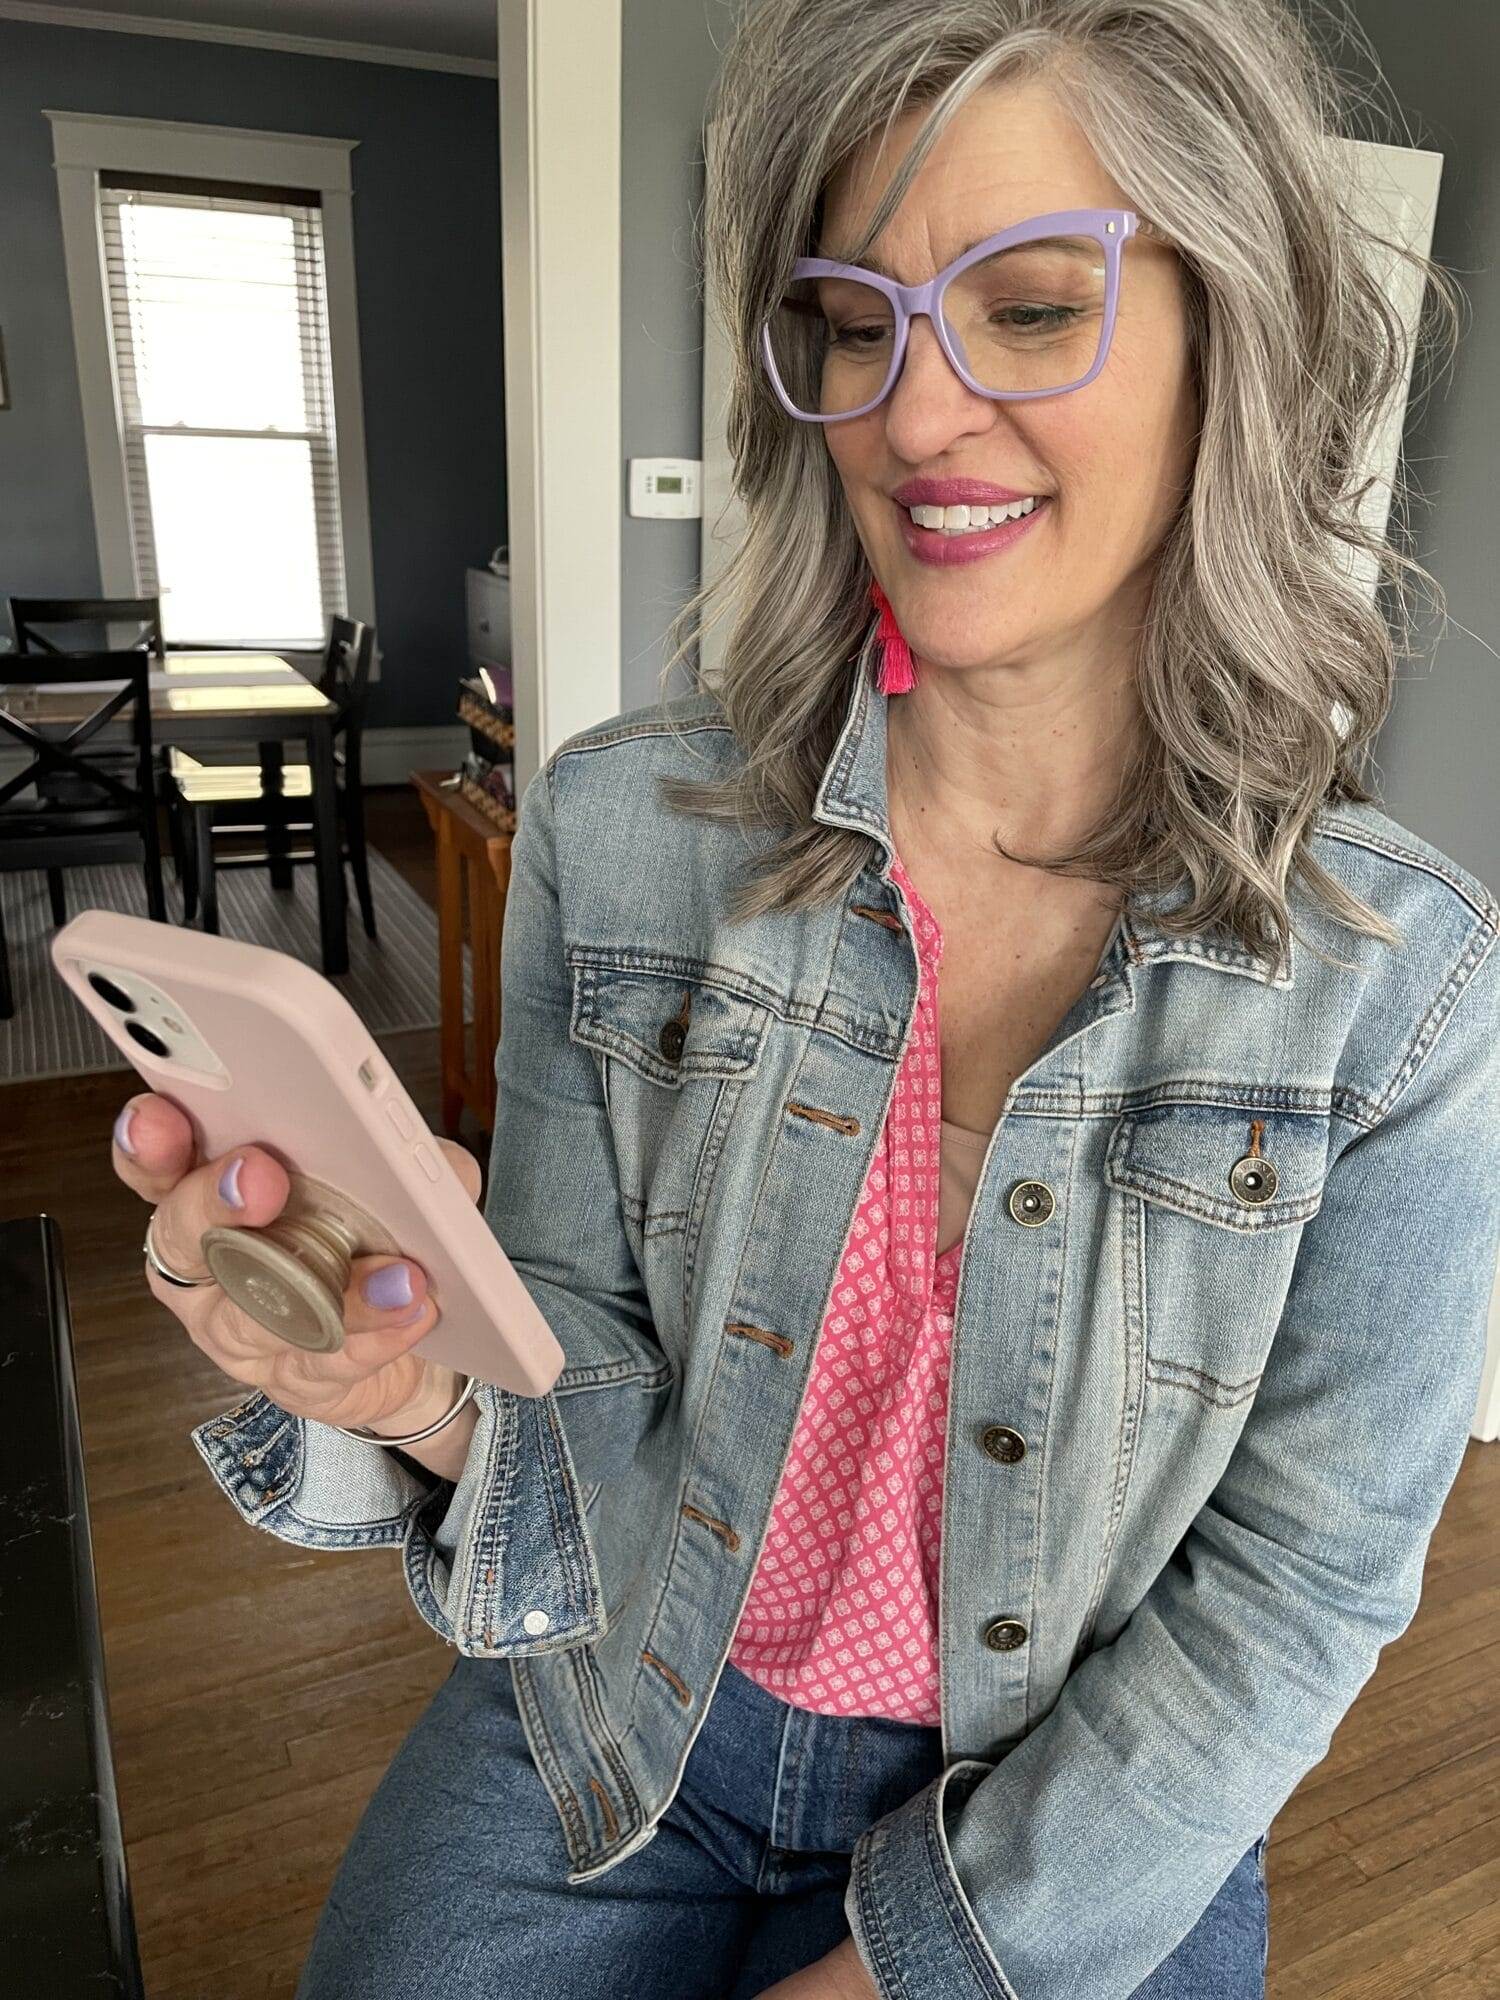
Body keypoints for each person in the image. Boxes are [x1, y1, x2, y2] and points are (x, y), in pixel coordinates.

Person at [112, 2, 1500, 1995]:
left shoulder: (1406, 1002)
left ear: (1236, 347)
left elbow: (1296, 1596)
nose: (917, 414)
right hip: (636, 1715)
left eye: (1032, 306)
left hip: (1065, 1820)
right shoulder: (629, 827)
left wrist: (911, 1970)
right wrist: (416, 1390)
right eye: (859, 320)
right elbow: (579, 1357)